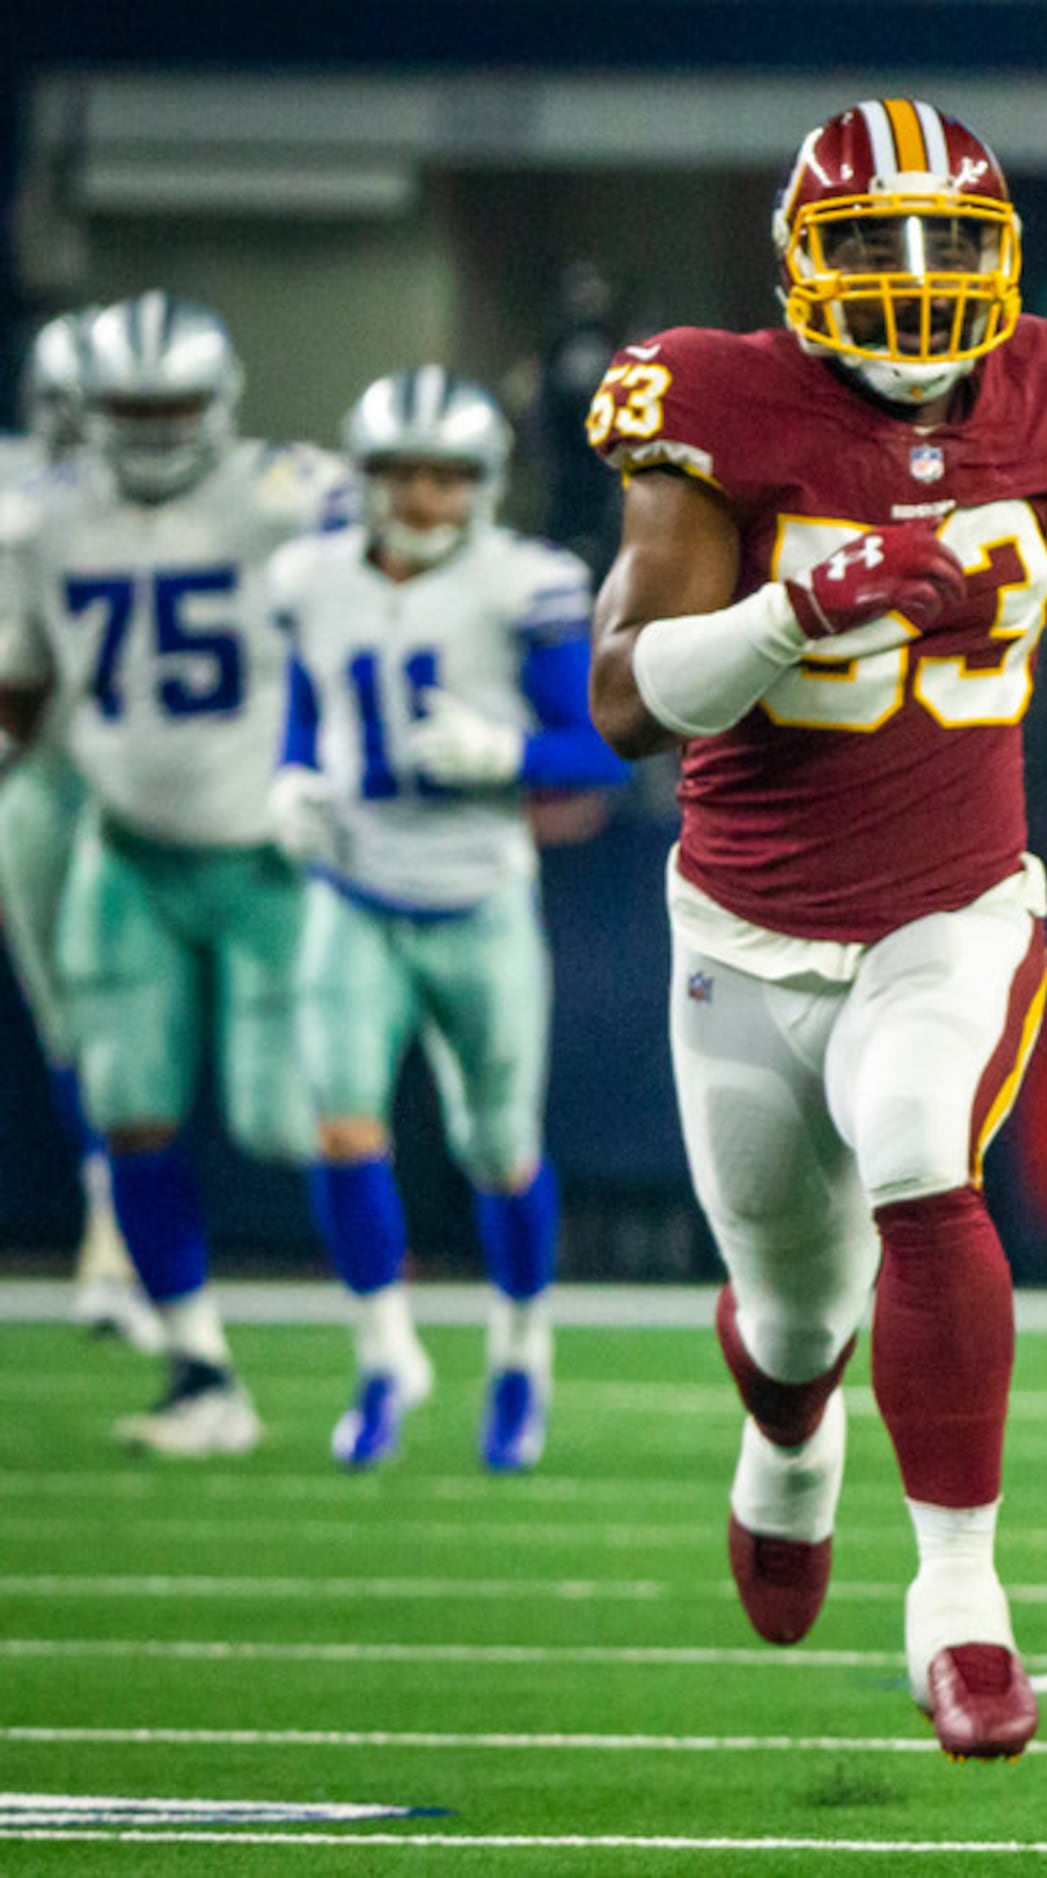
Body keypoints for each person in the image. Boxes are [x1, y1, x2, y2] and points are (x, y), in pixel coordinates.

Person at [582, 100, 1047, 1760]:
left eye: (951, 241)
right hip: (744, 922)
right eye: (876, 242)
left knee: (920, 1156)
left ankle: (960, 1603)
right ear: (804, 263)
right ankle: (788, 1442)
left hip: (952, 906)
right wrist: (808, 599)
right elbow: (621, 699)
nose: (921, 275)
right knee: (797, 1316)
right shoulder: (720, 400)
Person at [0, 292, 348, 1457]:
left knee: (280, 1115)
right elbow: (24, 688)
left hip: (265, 854)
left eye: (172, 409)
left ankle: (383, 1325)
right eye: (128, 410)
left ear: (219, 404)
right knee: (127, 1114)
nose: (151, 433)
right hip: (123, 846)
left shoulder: (290, 500)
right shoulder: (41, 519)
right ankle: (200, 1373)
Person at [266, 367, 629, 1472]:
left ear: (480, 484)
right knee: (340, 1125)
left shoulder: (528, 585)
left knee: (497, 1146)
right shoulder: (308, 576)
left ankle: (521, 1351)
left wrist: (508, 756)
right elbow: (304, 708)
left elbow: (609, 744)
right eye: (402, 475)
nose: (423, 499)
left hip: (478, 893)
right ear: (367, 477)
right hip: (354, 890)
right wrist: (289, 783)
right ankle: (385, 1356)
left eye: (444, 477)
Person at [0, 309, 156, 1350]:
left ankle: (120, 1235)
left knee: (126, 1027)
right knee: (70, 1025)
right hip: (37, 779)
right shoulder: (22, 498)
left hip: (136, 786)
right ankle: (114, 1229)